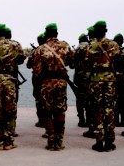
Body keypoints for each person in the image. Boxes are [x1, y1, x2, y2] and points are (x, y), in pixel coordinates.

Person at [31, 23, 74, 151]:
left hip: (46, 83)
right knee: (60, 111)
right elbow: (71, 62)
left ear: (46, 34)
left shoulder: (41, 49)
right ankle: (59, 142)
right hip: (61, 82)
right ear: (57, 33)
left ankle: (51, 141)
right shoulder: (65, 46)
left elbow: (37, 70)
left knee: (47, 112)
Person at [83, 21, 120, 152]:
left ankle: (99, 141)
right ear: (106, 30)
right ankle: (110, 142)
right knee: (109, 109)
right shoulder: (114, 45)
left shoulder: (91, 46)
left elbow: (86, 64)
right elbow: (119, 61)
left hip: (95, 81)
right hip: (110, 80)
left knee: (97, 110)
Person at [27, 33, 46, 128]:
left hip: (37, 78)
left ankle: (41, 120)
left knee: (38, 99)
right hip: (49, 78)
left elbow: (28, 65)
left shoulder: (35, 51)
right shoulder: (52, 50)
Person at [72, 33, 90, 128]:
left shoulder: (79, 48)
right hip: (91, 78)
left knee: (79, 99)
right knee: (89, 99)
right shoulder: (91, 46)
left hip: (80, 77)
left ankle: (82, 120)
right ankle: (89, 120)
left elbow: (72, 64)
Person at [113, 33, 124, 127]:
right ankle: (123, 120)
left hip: (115, 77)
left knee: (116, 100)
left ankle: (116, 120)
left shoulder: (113, 51)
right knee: (123, 100)